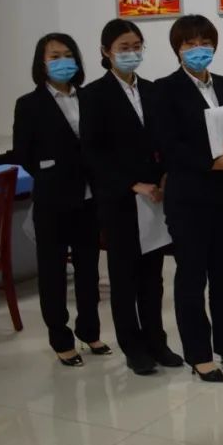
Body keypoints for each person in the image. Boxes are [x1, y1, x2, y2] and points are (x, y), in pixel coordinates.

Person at [80, 19, 182, 376]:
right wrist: (130, 184)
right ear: (106, 51)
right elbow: (93, 153)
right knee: (124, 277)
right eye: (124, 48)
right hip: (120, 198)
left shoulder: (152, 91)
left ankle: (157, 340)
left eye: (137, 47)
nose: (131, 53)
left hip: (154, 196)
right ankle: (132, 345)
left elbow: (164, 139)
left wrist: (164, 176)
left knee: (153, 276)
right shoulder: (93, 95)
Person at [153, 14, 223, 383]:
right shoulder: (166, 89)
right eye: (189, 44)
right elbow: (168, 146)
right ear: (177, 49)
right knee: (192, 278)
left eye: (204, 42)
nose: (198, 49)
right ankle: (198, 354)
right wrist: (211, 163)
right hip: (189, 198)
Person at [12, 33, 111, 367]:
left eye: (68, 55)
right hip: (53, 201)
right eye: (54, 56)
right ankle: (61, 338)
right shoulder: (29, 104)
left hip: (88, 199)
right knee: (53, 273)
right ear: (42, 63)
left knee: (88, 270)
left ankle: (90, 331)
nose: (62, 61)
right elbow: (24, 153)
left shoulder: (90, 97)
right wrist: (52, 168)